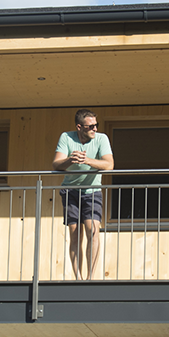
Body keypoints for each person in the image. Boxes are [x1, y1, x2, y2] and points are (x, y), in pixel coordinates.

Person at [52, 109, 114, 280]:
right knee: (75, 232)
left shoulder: (102, 139)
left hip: (92, 191)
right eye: (90, 126)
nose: (95, 128)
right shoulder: (66, 137)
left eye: (96, 125)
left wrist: (87, 160)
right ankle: (78, 278)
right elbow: (56, 164)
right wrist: (70, 160)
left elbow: (109, 165)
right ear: (79, 127)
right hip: (70, 192)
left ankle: (90, 277)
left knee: (92, 231)